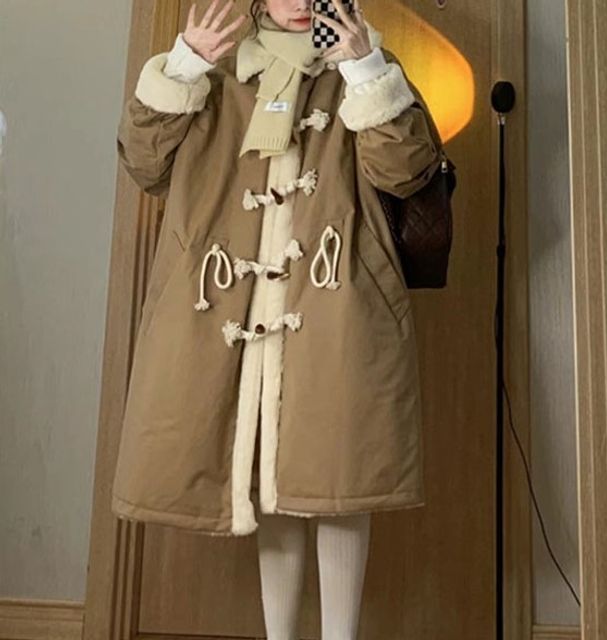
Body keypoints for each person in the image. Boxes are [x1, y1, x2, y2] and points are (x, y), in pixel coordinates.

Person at [113, 0, 439, 637]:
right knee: (266, 480)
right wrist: (182, 68)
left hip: (335, 304)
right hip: (226, 310)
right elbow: (144, 165)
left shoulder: (365, 64)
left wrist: (365, 70)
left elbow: (405, 174)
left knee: (337, 475)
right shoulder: (218, 70)